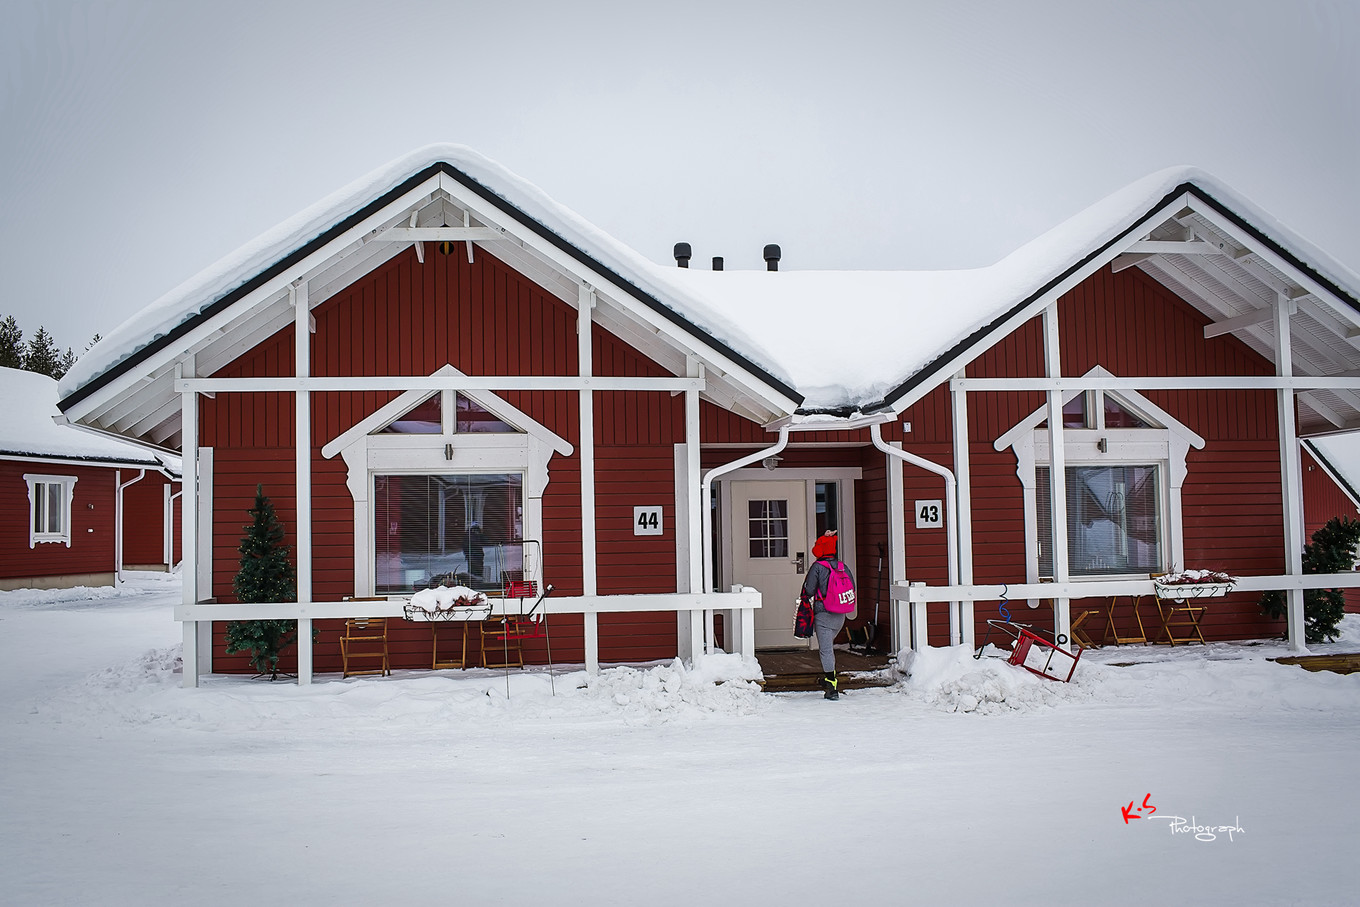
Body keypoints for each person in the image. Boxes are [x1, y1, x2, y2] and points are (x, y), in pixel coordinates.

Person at [799, 530, 856, 700]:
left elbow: (808, 590)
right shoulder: (841, 566)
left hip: (823, 613)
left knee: (826, 651)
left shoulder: (817, 567)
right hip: (840, 614)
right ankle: (828, 679)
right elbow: (851, 587)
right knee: (828, 647)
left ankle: (832, 687)